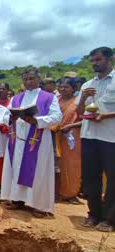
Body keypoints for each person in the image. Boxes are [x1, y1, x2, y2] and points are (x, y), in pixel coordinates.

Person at [1, 67, 62, 218]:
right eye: (25, 79)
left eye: (32, 79)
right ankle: (17, 199)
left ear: (38, 79)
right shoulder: (16, 98)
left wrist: (37, 120)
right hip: (18, 139)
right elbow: (5, 115)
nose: (28, 82)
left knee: (38, 171)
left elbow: (57, 117)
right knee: (16, 168)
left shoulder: (48, 97)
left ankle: (39, 205)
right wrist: (11, 118)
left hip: (37, 141)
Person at [76, 47, 115, 232]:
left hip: (111, 137)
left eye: (98, 60)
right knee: (91, 178)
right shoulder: (86, 85)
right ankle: (93, 214)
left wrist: (105, 115)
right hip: (89, 135)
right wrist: (82, 99)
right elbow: (79, 112)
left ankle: (109, 219)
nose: (94, 63)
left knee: (113, 179)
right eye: (92, 60)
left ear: (110, 59)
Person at [51, 78, 82, 204]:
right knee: (54, 165)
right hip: (54, 136)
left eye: (66, 87)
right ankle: (55, 192)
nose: (63, 89)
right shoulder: (55, 101)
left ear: (74, 88)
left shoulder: (78, 103)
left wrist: (70, 127)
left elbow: (85, 119)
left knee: (71, 165)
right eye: (61, 87)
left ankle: (70, 193)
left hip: (71, 138)